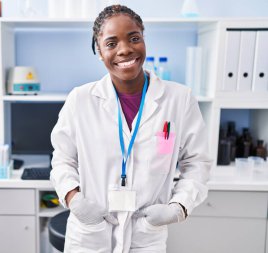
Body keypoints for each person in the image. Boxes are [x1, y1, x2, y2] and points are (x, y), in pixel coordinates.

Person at [50, 4, 211, 253]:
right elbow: (62, 159)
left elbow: (197, 162)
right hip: (90, 236)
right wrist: (74, 198)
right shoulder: (80, 100)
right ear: (100, 52)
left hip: (146, 236)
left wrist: (178, 207)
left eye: (134, 38)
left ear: (144, 40)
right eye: (111, 43)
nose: (125, 49)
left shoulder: (179, 99)